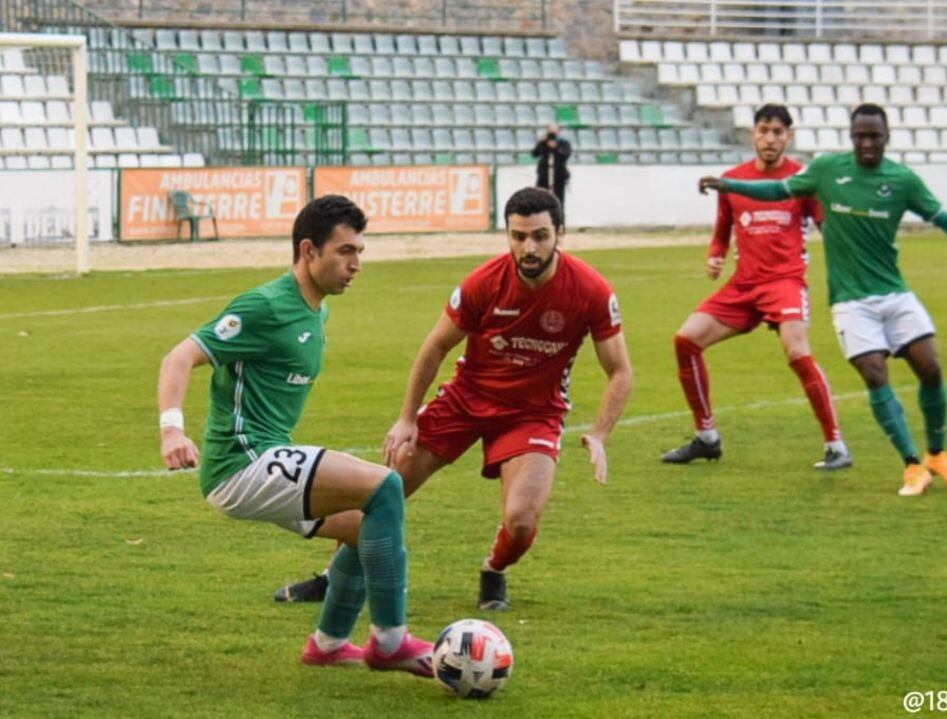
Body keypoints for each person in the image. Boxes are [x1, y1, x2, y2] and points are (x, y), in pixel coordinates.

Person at [158, 195, 433, 673]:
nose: (357, 264)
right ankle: (391, 642)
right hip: (242, 464)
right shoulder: (265, 306)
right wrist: (172, 432)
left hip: (264, 459)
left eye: (360, 252)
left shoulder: (317, 312)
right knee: (386, 487)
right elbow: (179, 357)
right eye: (346, 251)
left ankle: (326, 645)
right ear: (309, 251)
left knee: (367, 526)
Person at [701, 103, 947, 496]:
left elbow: (944, 218)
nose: (866, 143)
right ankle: (912, 465)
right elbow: (778, 190)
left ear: (886, 138)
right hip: (850, 302)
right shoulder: (829, 171)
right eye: (860, 135)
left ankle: (938, 455)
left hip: (895, 294)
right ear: (851, 137)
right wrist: (731, 185)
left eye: (874, 136)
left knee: (930, 368)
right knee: (875, 374)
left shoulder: (901, 180)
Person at [381, 186, 633, 610]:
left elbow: (620, 371)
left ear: (560, 234)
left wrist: (601, 434)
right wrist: (407, 417)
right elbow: (436, 346)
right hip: (466, 398)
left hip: (534, 413)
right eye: (518, 237)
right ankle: (333, 574)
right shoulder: (484, 282)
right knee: (384, 489)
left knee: (520, 521)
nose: (528, 247)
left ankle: (493, 570)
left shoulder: (591, 290)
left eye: (539, 236)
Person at [662, 104, 851, 470]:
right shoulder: (733, 180)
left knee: (797, 351)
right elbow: (721, 234)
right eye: (763, 130)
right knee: (685, 341)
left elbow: (828, 228)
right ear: (753, 133)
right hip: (744, 285)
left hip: (785, 282)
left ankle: (836, 445)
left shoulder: (803, 180)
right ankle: (707, 437)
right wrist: (715, 256)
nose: (769, 138)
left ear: (789, 137)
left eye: (778, 132)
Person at [533, 123, 572, 211]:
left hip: (558, 175)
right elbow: (535, 154)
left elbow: (565, 155)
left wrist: (556, 147)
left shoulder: (564, 143)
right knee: (541, 199)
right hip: (544, 175)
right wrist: (540, 142)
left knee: (559, 200)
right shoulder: (543, 143)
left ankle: (559, 222)